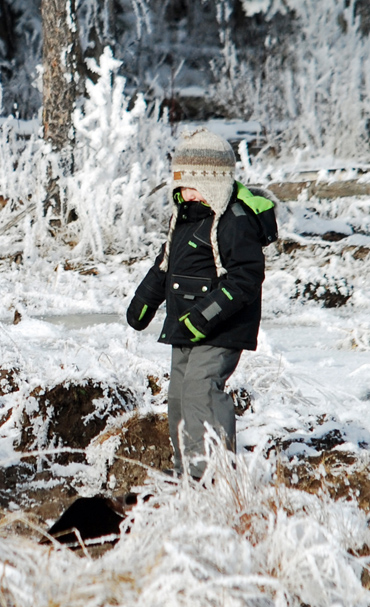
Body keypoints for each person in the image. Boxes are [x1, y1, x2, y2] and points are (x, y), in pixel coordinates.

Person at [125, 128, 275, 479]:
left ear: (215, 183)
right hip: (185, 327)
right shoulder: (185, 219)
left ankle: (212, 475)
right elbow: (166, 266)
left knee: (200, 391)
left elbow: (245, 279)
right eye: (181, 185)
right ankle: (185, 474)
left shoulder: (234, 221)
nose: (186, 193)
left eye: (193, 185)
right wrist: (142, 305)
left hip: (220, 327)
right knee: (178, 397)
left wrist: (201, 319)